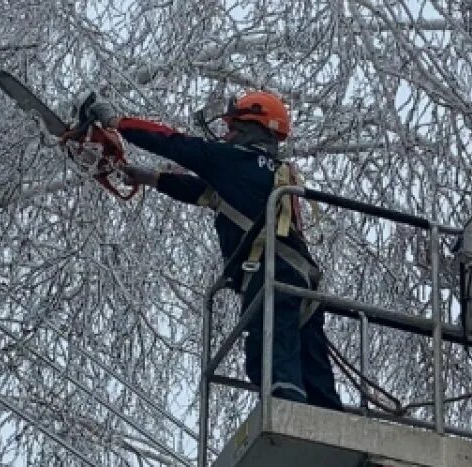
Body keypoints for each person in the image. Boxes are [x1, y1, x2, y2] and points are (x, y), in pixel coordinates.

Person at [71, 89, 343, 411]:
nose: (226, 135)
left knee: (269, 357)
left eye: (233, 128)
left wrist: (116, 121)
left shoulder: (230, 160)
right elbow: (208, 194)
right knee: (313, 365)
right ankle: (342, 434)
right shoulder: (268, 171)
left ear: (251, 129)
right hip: (302, 279)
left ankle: (286, 419)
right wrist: (150, 178)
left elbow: (173, 143)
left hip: (272, 273)